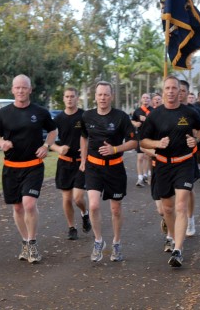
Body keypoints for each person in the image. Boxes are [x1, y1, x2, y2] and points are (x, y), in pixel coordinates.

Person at [0, 74, 58, 264]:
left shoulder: (40, 112)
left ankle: (33, 242)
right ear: (12, 89)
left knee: (29, 204)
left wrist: (46, 146)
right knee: (18, 207)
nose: (20, 91)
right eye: (17, 87)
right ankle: (25, 242)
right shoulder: (3, 113)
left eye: (24, 87)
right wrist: (2, 143)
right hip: (11, 167)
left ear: (30, 89)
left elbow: (53, 130)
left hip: (33, 166)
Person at [140, 76, 200, 267]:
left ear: (180, 91)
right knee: (168, 209)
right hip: (162, 165)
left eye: (174, 88)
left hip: (184, 163)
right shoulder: (155, 115)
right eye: (167, 88)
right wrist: (157, 143)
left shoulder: (190, 112)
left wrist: (196, 140)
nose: (170, 91)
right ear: (163, 91)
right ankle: (171, 235)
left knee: (180, 207)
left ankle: (178, 249)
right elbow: (143, 141)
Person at [80, 81, 137, 263]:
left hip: (115, 167)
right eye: (99, 94)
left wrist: (115, 149)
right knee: (94, 205)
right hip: (93, 167)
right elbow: (83, 137)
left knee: (116, 209)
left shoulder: (121, 117)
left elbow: (134, 142)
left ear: (111, 96)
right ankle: (98, 241)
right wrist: (83, 160)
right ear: (95, 97)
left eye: (106, 94)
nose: (102, 98)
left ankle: (117, 243)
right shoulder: (87, 116)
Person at [51, 87, 91, 241]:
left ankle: (84, 213)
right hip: (65, 164)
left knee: (78, 198)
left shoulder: (84, 116)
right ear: (63, 99)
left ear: (76, 98)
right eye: (67, 96)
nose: (69, 99)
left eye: (72, 96)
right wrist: (58, 148)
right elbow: (49, 142)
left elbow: (92, 136)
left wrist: (86, 151)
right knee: (67, 199)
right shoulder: (58, 119)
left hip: (81, 163)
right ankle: (71, 227)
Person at [178, 79, 200, 236]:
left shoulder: (194, 111)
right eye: (176, 90)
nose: (178, 93)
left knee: (188, 189)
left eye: (182, 91)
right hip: (169, 156)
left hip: (189, 154)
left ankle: (190, 218)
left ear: (187, 92)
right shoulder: (166, 110)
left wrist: (195, 137)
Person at [131, 93, 153, 187]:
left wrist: (148, 119)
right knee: (140, 157)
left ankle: (146, 175)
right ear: (141, 100)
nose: (146, 99)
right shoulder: (137, 111)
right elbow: (132, 120)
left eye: (147, 98)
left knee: (148, 157)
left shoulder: (154, 110)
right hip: (140, 136)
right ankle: (140, 178)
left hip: (151, 136)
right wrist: (135, 123)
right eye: (144, 97)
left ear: (150, 100)